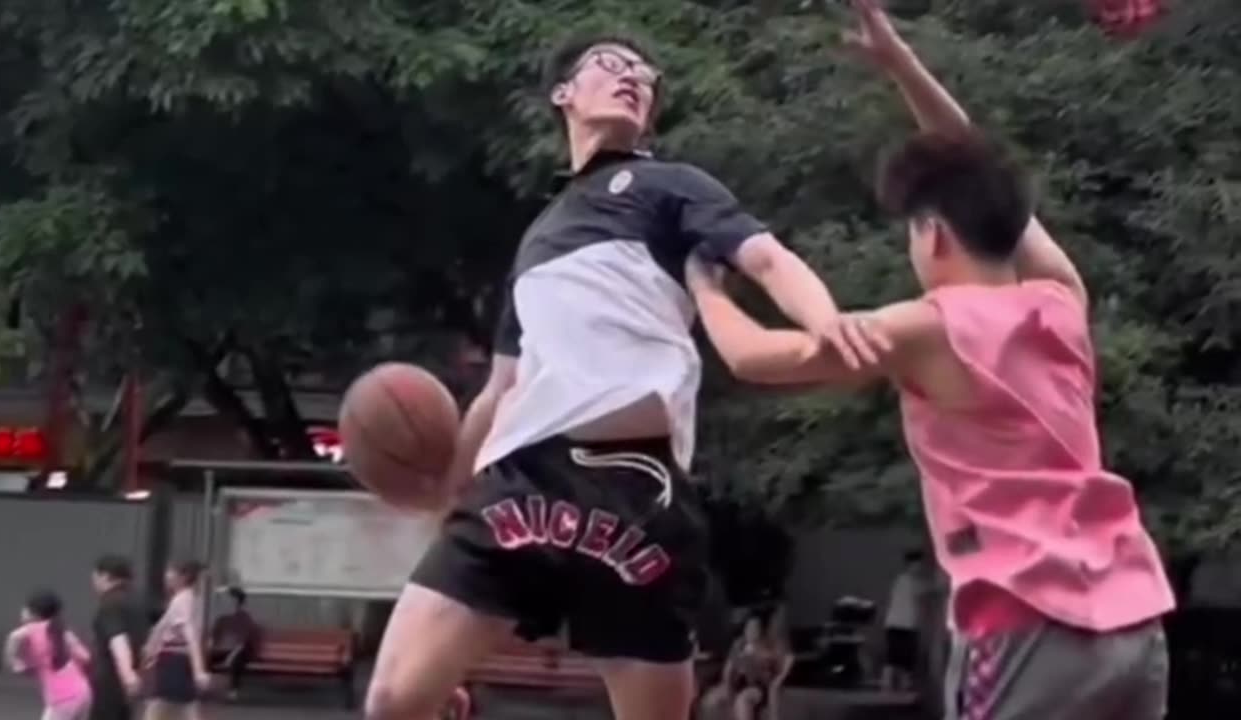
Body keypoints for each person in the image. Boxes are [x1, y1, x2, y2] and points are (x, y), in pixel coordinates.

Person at [683, 2, 1177, 718]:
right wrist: (899, 63)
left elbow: (756, 358)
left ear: (932, 234)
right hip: (1134, 621)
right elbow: (977, 166)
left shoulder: (925, 327)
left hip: (1025, 621)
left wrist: (704, 286)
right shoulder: (1062, 301)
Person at [364, 33, 866, 720]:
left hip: (640, 486)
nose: (632, 76)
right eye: (610, 63)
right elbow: (500, 390)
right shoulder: (536, 241)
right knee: (395, 700)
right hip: (524, 482)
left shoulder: (671, 187)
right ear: (563, 93)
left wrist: (826, 320)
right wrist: (444, 499)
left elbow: (769, 261)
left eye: (644, 72)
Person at [6, 590, 93, 720]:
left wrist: (15, 663)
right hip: (83, 692)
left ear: (33, 612)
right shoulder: (61, 630)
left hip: (62, 697)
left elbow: (13, 637)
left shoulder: (34, 628)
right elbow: (85, 657)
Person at [143, 560, 212, 720]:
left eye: (170, 572)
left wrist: (198, 670)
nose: (166, 576)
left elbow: (190, 635)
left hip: (174, 661)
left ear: (183, 577)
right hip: (176, 660)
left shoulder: (182, 600)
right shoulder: (189, 598)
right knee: (180, 708)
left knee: (162, 707)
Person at [699, 614, 793, 720]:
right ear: (745, 630)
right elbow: (728, 670)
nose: (752, 631)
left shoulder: (765, 647)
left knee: (742, 700)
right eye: (749, 628)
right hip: (737, 684)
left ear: (760, 631)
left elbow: (783, 662)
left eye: (755, 628)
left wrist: (777, 678)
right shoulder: (739, 645)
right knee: (709, 702)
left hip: (758, 687)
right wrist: (728, 687)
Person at [90, 555, 147, 720]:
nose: (93, 582)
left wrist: (127, 675)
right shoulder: (137, 601)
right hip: (129, 681)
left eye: (95, 576)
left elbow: (117, 639)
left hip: (110, 680)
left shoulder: (110, 604)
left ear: (105, 576)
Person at [882, 550, 925, 691]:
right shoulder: (906, 580)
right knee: (895, 656)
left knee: (902, 657)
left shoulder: (904, 580)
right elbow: (926, 590)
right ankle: (889, 684)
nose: (919, 567)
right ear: (910, 564)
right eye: (917, 564)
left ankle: (899, 685)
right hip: (899, 624)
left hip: (903, 624)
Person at [209, 587, 258, 700]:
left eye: (229, 599)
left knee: (237, 661)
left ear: (237, 602)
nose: (226, 602)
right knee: (206, 658)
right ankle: (206, 686)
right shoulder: (222, 619)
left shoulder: (244, 618)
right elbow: (214, 637)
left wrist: (229, 658)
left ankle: (233, 690)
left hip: (240, 651)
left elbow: (241, 643)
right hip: (224, 650)